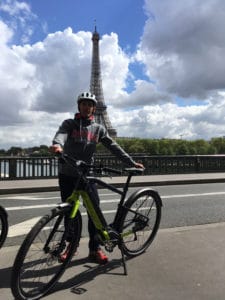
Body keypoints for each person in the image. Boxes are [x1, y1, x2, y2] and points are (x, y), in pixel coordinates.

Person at [50, 91, 144, 264]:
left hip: (87, 175)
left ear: (94, 108)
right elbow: (61, 135)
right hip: (67, 174)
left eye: (90, 105)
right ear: (79, 106)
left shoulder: (99, 129)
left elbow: (113, 146)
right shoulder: (70, 123)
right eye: (84, 104)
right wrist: (57, 145)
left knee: (95, 213)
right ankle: (71, 245)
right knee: (69, 212)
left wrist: (130, 162)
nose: (86, 107)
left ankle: (94, 248)